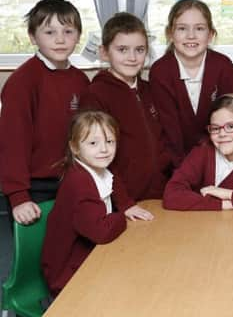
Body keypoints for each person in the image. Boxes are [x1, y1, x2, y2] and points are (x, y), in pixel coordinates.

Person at [0, 0, 89, 317]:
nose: (59, 38)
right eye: (49, 31)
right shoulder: (23, 82)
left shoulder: (81, 80)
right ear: (33, 36)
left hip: (71, 190)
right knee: (34, 278)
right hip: (33, 192)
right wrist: (18, 196)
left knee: (65, 269)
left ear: (78, 35)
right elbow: (12, 144)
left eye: (68, 31)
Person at [41, 110, 153, 296]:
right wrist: (119, 217)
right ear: (74, 147)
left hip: (91, 256)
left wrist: (126, 205)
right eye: (93, 143)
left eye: (110, 142)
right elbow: (101, 232)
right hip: (68, 275)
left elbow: (113, 181)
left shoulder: (95, 169)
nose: (104, 149)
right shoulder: (79, 182)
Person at [80, 12, 172, 200]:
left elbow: (164, 141)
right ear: (104, 52)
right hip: (122, 201)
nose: (132, 57)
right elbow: (95, 159)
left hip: (158, 195)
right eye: (122, 50)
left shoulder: (150, 90)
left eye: (139, 50)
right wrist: (123, 202)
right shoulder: (96, 95)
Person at [150, 0, 233, 165]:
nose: (191, 36)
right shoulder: (160, 71)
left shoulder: (223, 66)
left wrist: (216, 164)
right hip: (176, 163)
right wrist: (186, 172)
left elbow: (228, 122)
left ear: (211, 34)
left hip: (220, 158)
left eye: (199, 28)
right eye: (182, 28)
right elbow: (170, 132)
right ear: (170, 34)